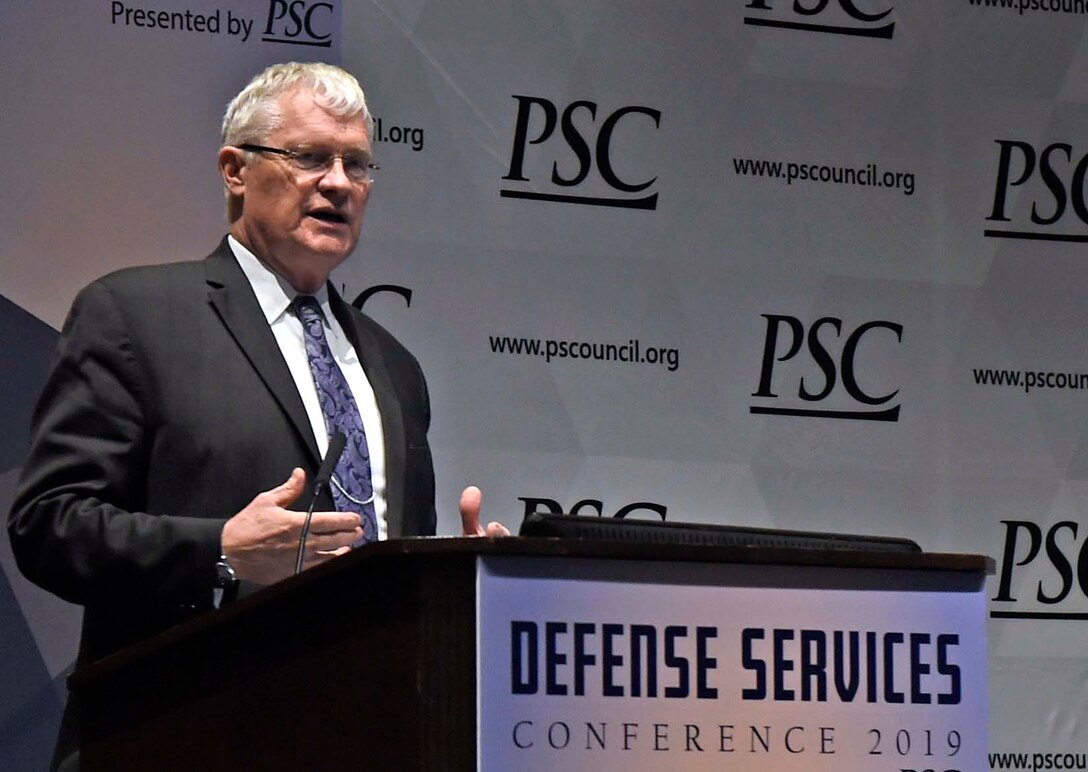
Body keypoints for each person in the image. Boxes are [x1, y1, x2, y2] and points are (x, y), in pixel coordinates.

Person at [7, 62, 506, 766]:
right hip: (184, 738)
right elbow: (49, 524)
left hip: (371, 736)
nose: (338, 183)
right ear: (235, 169)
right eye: (309, 157)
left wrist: (447, 581)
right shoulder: (136, 317)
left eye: (357, 164)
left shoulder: (396, 366)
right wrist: (221, 550)